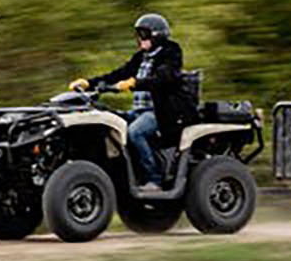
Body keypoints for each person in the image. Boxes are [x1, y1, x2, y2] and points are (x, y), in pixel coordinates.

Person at [69, 12, 197, 188]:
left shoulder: (171, 52)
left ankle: (154, 179)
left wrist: (135, 83)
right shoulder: (141, 57)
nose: (140, 38)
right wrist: (89, 83)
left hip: (161, 112)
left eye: (143, 34)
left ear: (157, 35)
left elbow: (164, 77)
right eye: (138, 34)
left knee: (135, 132)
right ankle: (122, 177)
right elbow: (119, 73)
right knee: (108, 126)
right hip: (138, 112)